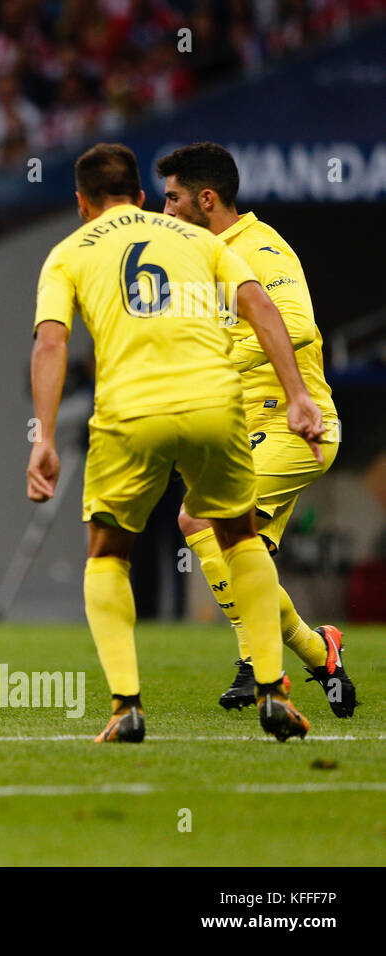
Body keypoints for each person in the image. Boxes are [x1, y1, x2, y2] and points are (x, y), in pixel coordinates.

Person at [26, 143, 324, 743]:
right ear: (139, 196)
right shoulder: (200, 240)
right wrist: (298, 396)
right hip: (216, 403)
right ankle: (272, 691)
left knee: (108, 550)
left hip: (130, 412)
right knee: (239, 535)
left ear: (82, 203)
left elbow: (52, 344)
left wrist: (42, 437)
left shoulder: (67, 254)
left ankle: (126, 706)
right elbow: (263, 306)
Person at [156, 142, 355, 718]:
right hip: (242, 432)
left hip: (298, 424)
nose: (166, 211)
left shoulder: (262, 248)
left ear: (207, 198)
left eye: (173, 198)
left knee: (200, 519)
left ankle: (259, 663)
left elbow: (294, 322)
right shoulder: (200, 259)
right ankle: (319, 653)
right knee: (245, 551)